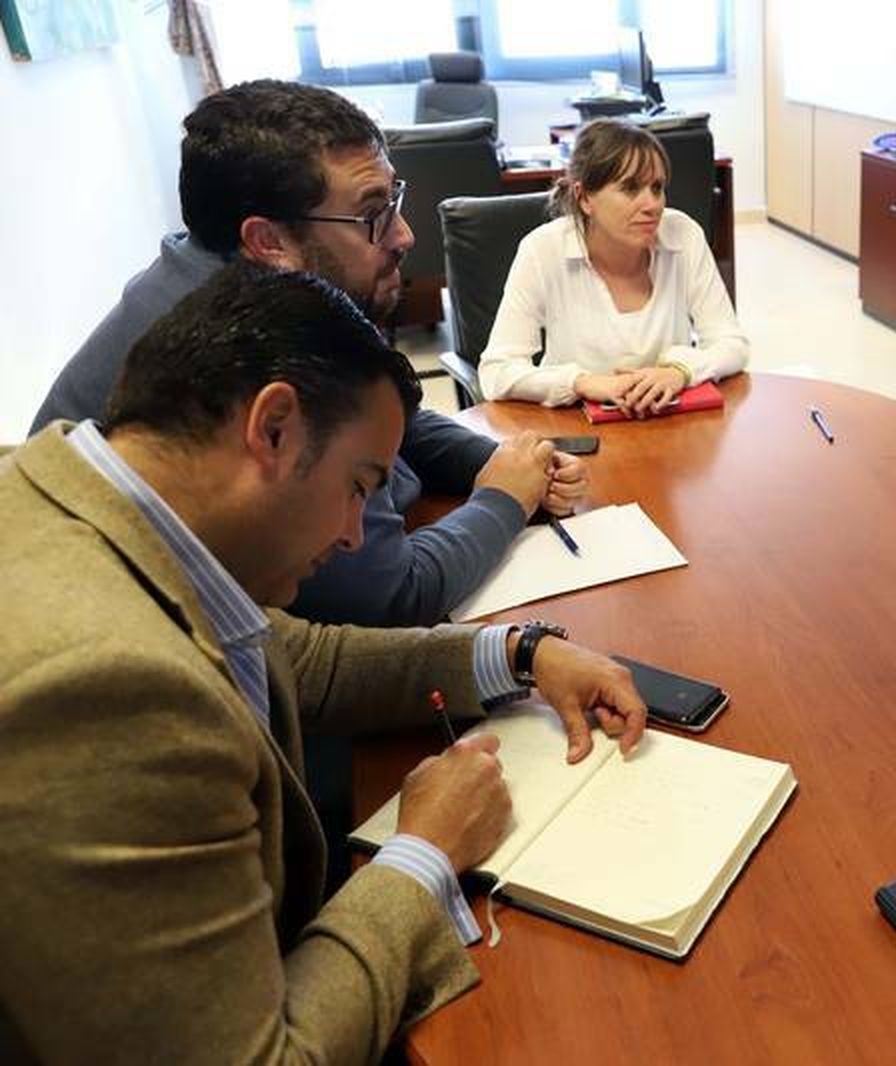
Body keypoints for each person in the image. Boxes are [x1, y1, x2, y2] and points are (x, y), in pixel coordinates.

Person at [0, 263, 647, 1062]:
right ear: (273, 429)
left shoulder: (75, 492)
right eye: (359, 486)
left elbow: (292, 655)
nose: (352, 534)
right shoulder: (104, 692)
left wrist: (517, 652)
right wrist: (425, 855)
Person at [30, 78, 584, 628]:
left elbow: (388, 415)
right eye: (373, 214)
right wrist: (503, 498)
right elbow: (390, 595)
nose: (403, 236)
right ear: (268, 241)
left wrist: (495, 462)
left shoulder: (249, 275)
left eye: (393, 199)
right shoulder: (246, 346)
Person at [478, 118, 749, 416]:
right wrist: (582, 383)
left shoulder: (684, 234)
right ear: (584, 198)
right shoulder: (542, 250)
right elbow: (497, 371)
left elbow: (731, 343)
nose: (652, 205)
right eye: (630, 188)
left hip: (669, 422)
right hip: (574, 426)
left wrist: (681, 371)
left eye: (657, 188)